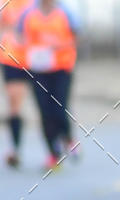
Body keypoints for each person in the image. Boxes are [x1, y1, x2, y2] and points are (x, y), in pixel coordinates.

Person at [17, 0, 79, 171]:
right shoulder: (28, 12)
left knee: (59, 107)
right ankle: (53, 153)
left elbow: (76, 38)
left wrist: (57, 45)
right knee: (45, 110)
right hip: (38, 68)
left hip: (61, 67)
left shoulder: (66, 10)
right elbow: (20, 36)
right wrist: (31, 48)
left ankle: (67, 137)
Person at [0, 0, 31, 167]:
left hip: (37, 59)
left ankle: (61, 142)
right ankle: (15, 149)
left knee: (48, 104)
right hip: (11, 58)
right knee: (14, 103)